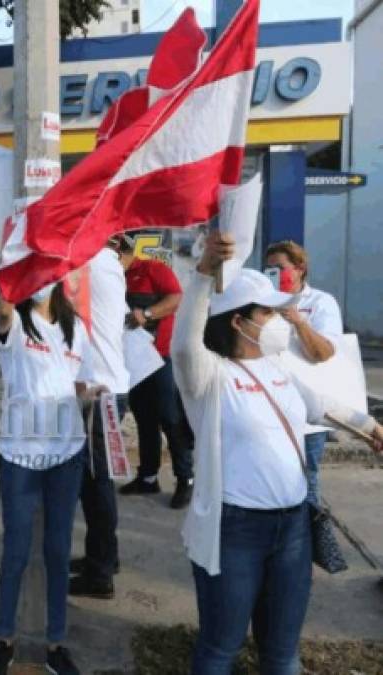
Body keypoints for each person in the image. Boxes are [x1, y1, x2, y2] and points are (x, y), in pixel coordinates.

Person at [173, 231, 383, 674]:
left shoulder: (277, 367)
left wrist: (371, 429)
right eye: (268, 312)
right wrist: (202, 275)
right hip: (234, 532)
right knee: (220, 649)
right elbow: (183, 345)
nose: (279, 319)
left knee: (283, 653)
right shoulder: (210, 377)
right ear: (237, 321)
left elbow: (322, 406)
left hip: (292, 530)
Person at [0, 280, 95, 675]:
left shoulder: (74, 326)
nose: (43, 279)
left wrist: (91, 393)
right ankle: (4, 640)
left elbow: (78, 380)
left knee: (57, 552)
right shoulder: (15, 321)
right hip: (20, 455)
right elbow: (1, 309)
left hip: (66, 454)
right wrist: (12, 281)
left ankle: (55, 644)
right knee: (15, 551)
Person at [68, 238, 131, 600]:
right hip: (106, 386)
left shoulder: (91, 261)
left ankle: (100, 572)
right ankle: (105, 556)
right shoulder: (106, 262)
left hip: (97, 391)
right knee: (97, 483)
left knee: (96, 485)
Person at [114, 236, 195, 508]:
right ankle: (148, 477)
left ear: (122, 252)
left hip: (159, 358)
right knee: (144, 419)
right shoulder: (113, 278)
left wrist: (147, 314)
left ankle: (186, 479)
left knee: (170, 418)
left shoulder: (152, 270)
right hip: (130, 361)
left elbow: (176, 298)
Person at [265, 240, 344, 506]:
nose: (273, 274)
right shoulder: (262, 302)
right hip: (268, 407)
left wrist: (298, 321)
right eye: (269, 269)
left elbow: (323, 353)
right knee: (269, 482)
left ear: (300, 269)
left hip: (307, 412)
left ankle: (313, 545)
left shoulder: (321, 303)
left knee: (305, 486)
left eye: (280, 268)